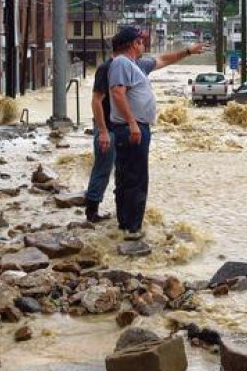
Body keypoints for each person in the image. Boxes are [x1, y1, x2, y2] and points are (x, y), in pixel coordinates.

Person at [109, 26, 204, 239]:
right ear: (133, 44)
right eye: (141, 41)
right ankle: (132, 229)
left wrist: (188, 51)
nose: (144, 44)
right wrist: (132, 123)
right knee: (136, 178)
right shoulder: (122, 63)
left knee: (128, 177)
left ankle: (126, 225)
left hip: (135, 127)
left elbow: (163, 59)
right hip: (131, 129)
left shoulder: (136, 65)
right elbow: (117, 93)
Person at [84, 49, 118, 223]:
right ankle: (91, 210)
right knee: (103, 168)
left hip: (118, 128)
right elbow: (96, 100)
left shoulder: (125, 67)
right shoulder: (106, 68)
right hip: (107, 128)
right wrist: (103, 131)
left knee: (116, 170)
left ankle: (113, 209)